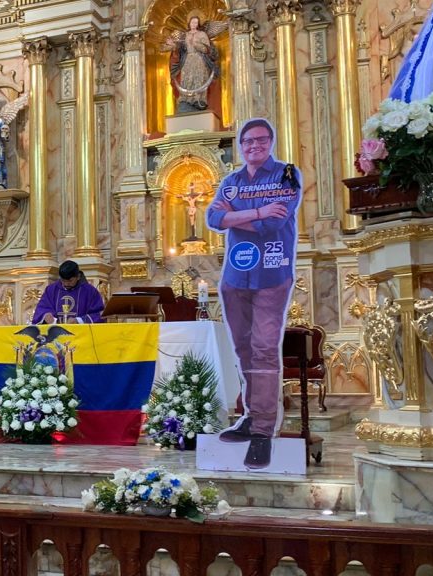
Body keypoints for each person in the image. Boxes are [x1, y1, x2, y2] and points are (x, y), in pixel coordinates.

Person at [205, 118, 301, 470]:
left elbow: (276, 223)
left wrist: (238, 217)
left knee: (263, 347)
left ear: (271, 141)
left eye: (261, 140)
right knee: (243, 348)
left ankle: (262, 430)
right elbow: (213, 218)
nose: (254, 145)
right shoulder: (231, 180)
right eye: (247, 141)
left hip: (272, 274)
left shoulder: (286, 174)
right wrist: (258, 211)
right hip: (235, 276)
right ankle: (249, 415)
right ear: (241, 146)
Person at [162, 14, 226, 114]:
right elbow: (181, 50)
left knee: (199, 78)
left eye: (196, 22)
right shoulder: (186, 35)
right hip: (187, 60)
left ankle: (199, 100)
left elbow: (207, 49)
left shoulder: (202, 34)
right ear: (189, 23)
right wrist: (173, 45)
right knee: (187, 79)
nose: (194, 24)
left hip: (199, 59)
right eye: (192, 22)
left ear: (198, 24)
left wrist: (198, 45)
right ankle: (186, 100)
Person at [32, 260, 105, 324]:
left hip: (82, 334)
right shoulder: (51, 290)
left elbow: (99, 314)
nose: (66, 284)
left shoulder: (90, 291)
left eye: (70, 281)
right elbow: (42, 309)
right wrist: (45, 315)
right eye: (63, 280)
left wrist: (79, 320)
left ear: (78, 276)